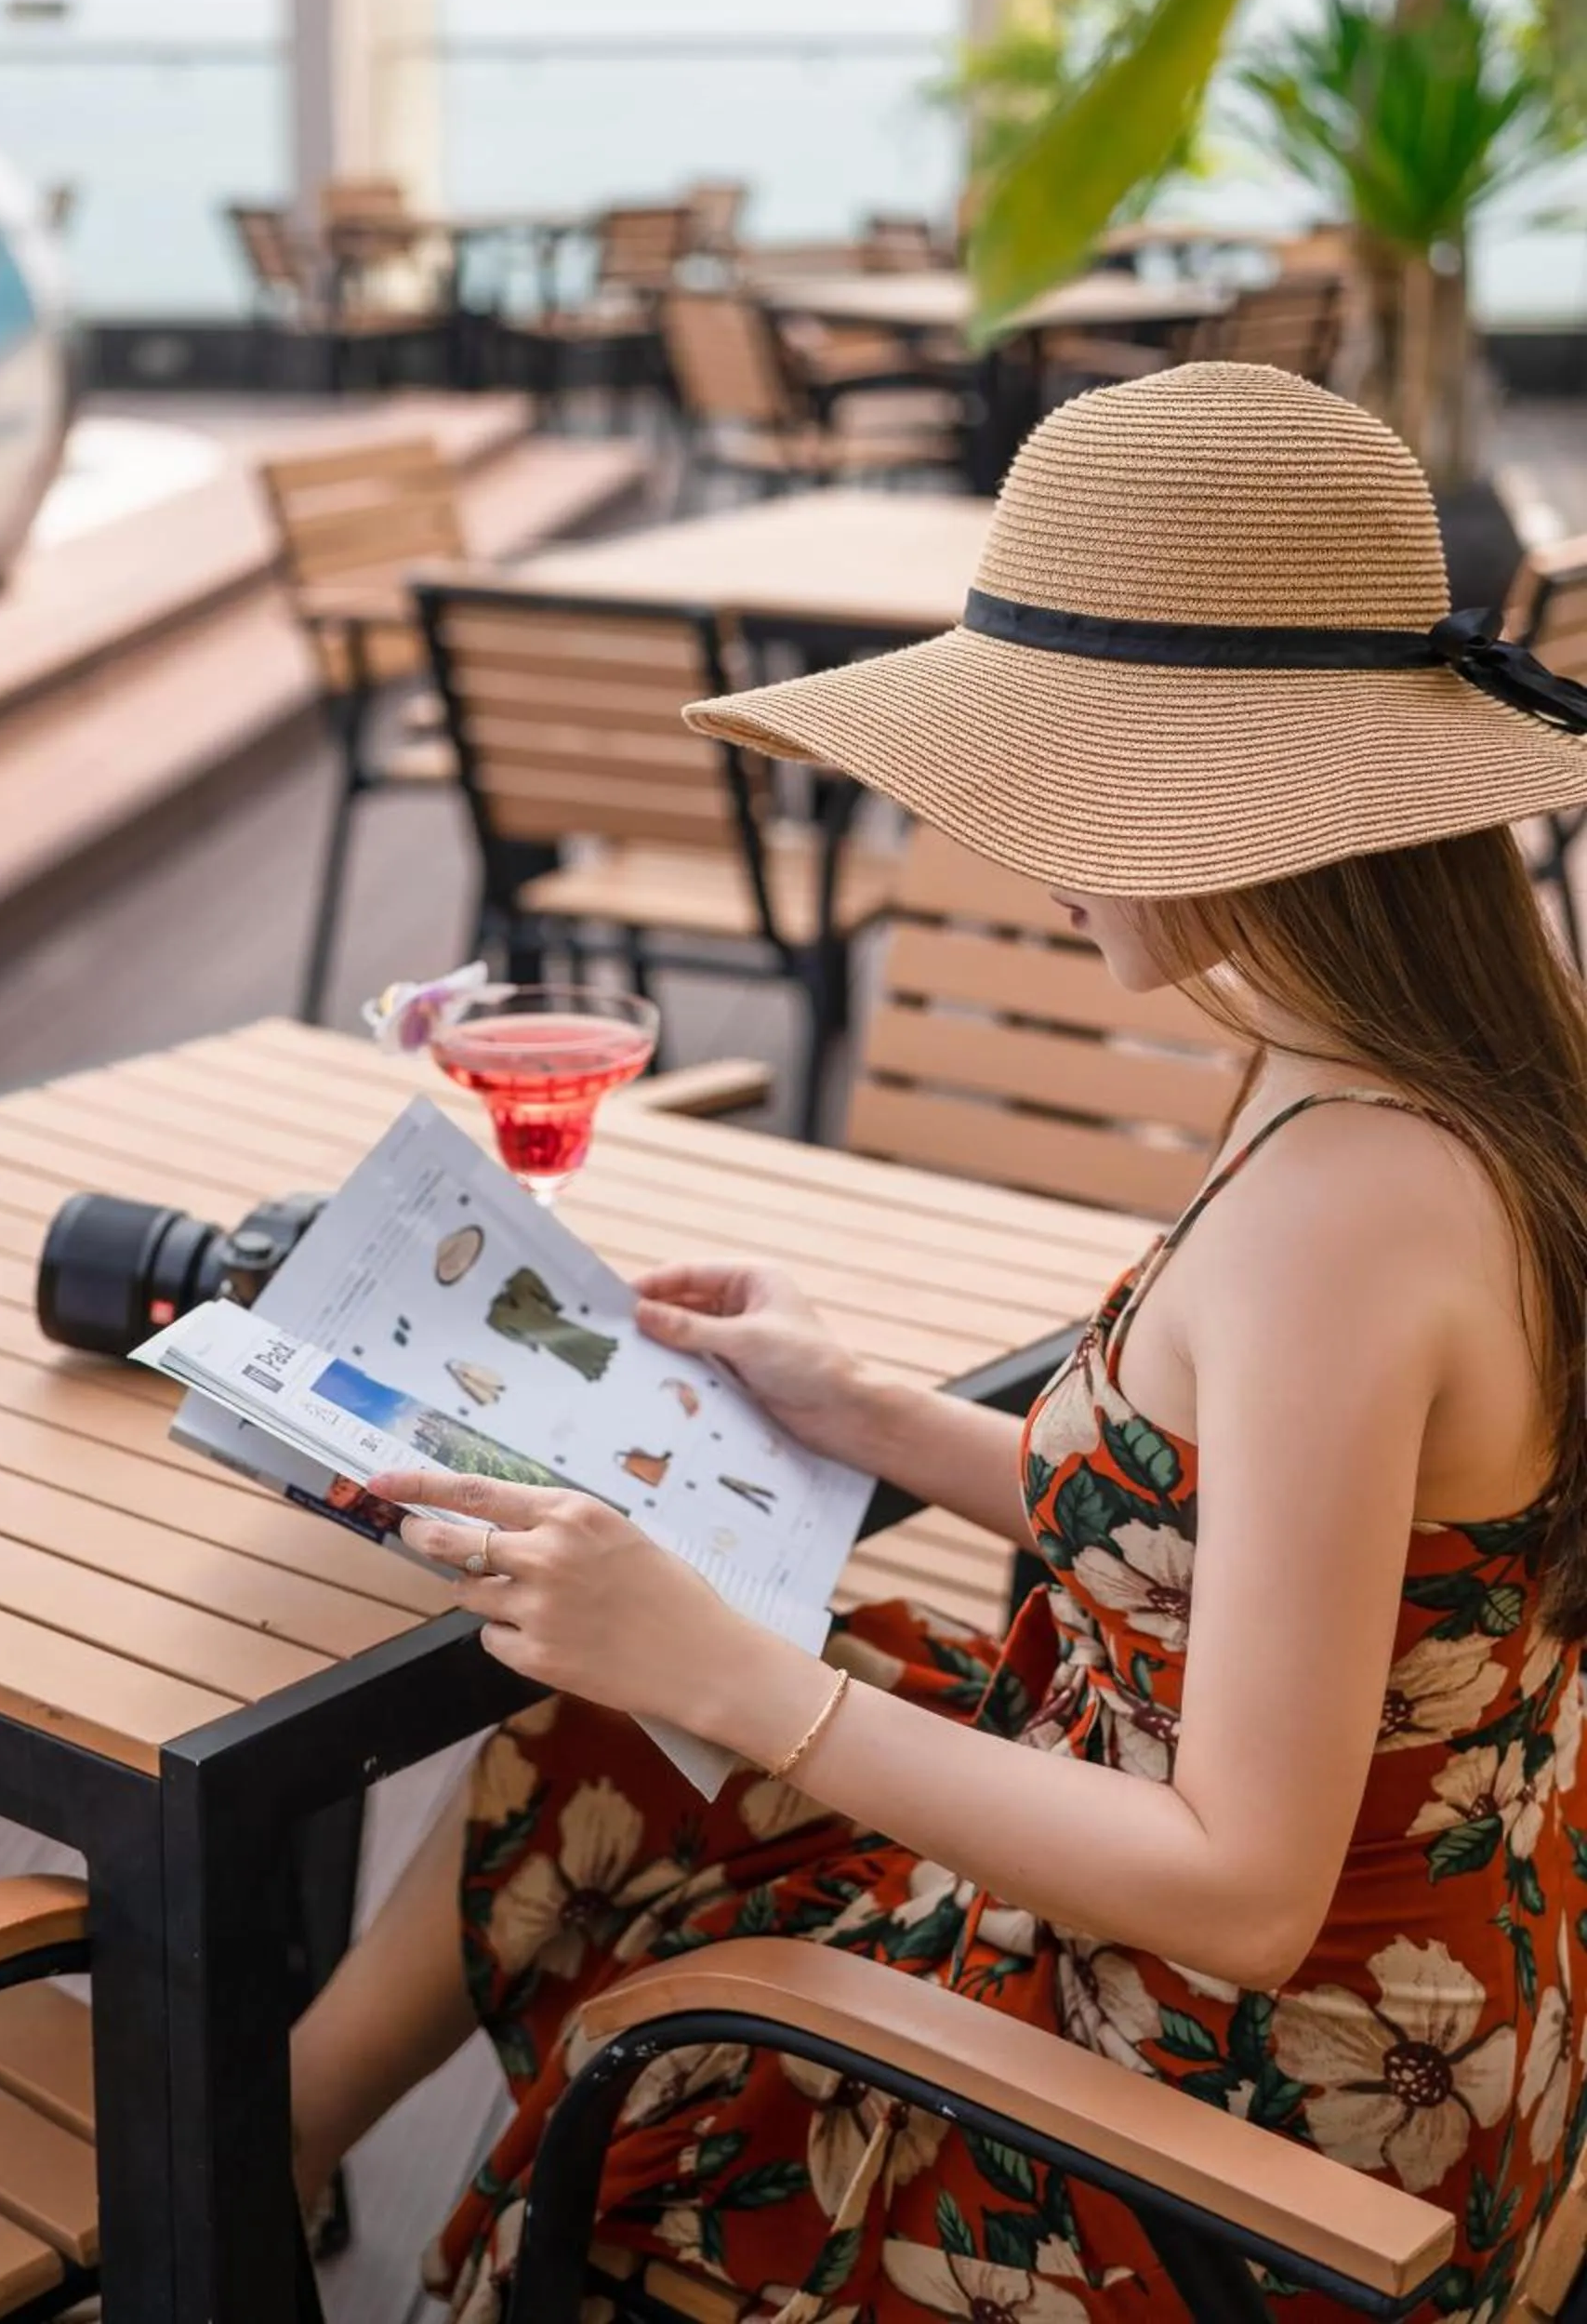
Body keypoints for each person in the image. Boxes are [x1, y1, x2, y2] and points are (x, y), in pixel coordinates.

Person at [292, 362, 1587, 2323]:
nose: (1007, 840)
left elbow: (1241, 1892)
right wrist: (872, 1412)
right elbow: (1269, 1545)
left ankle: (220, 2183)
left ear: (1236, 799)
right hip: (1426, 1993)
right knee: (611, 1730)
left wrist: (740, 1678)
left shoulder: (1351, 1206)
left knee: (675, 1868)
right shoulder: (1382, 1070)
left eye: (1046, 778)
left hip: (1254, 2133)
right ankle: (271, 2146)